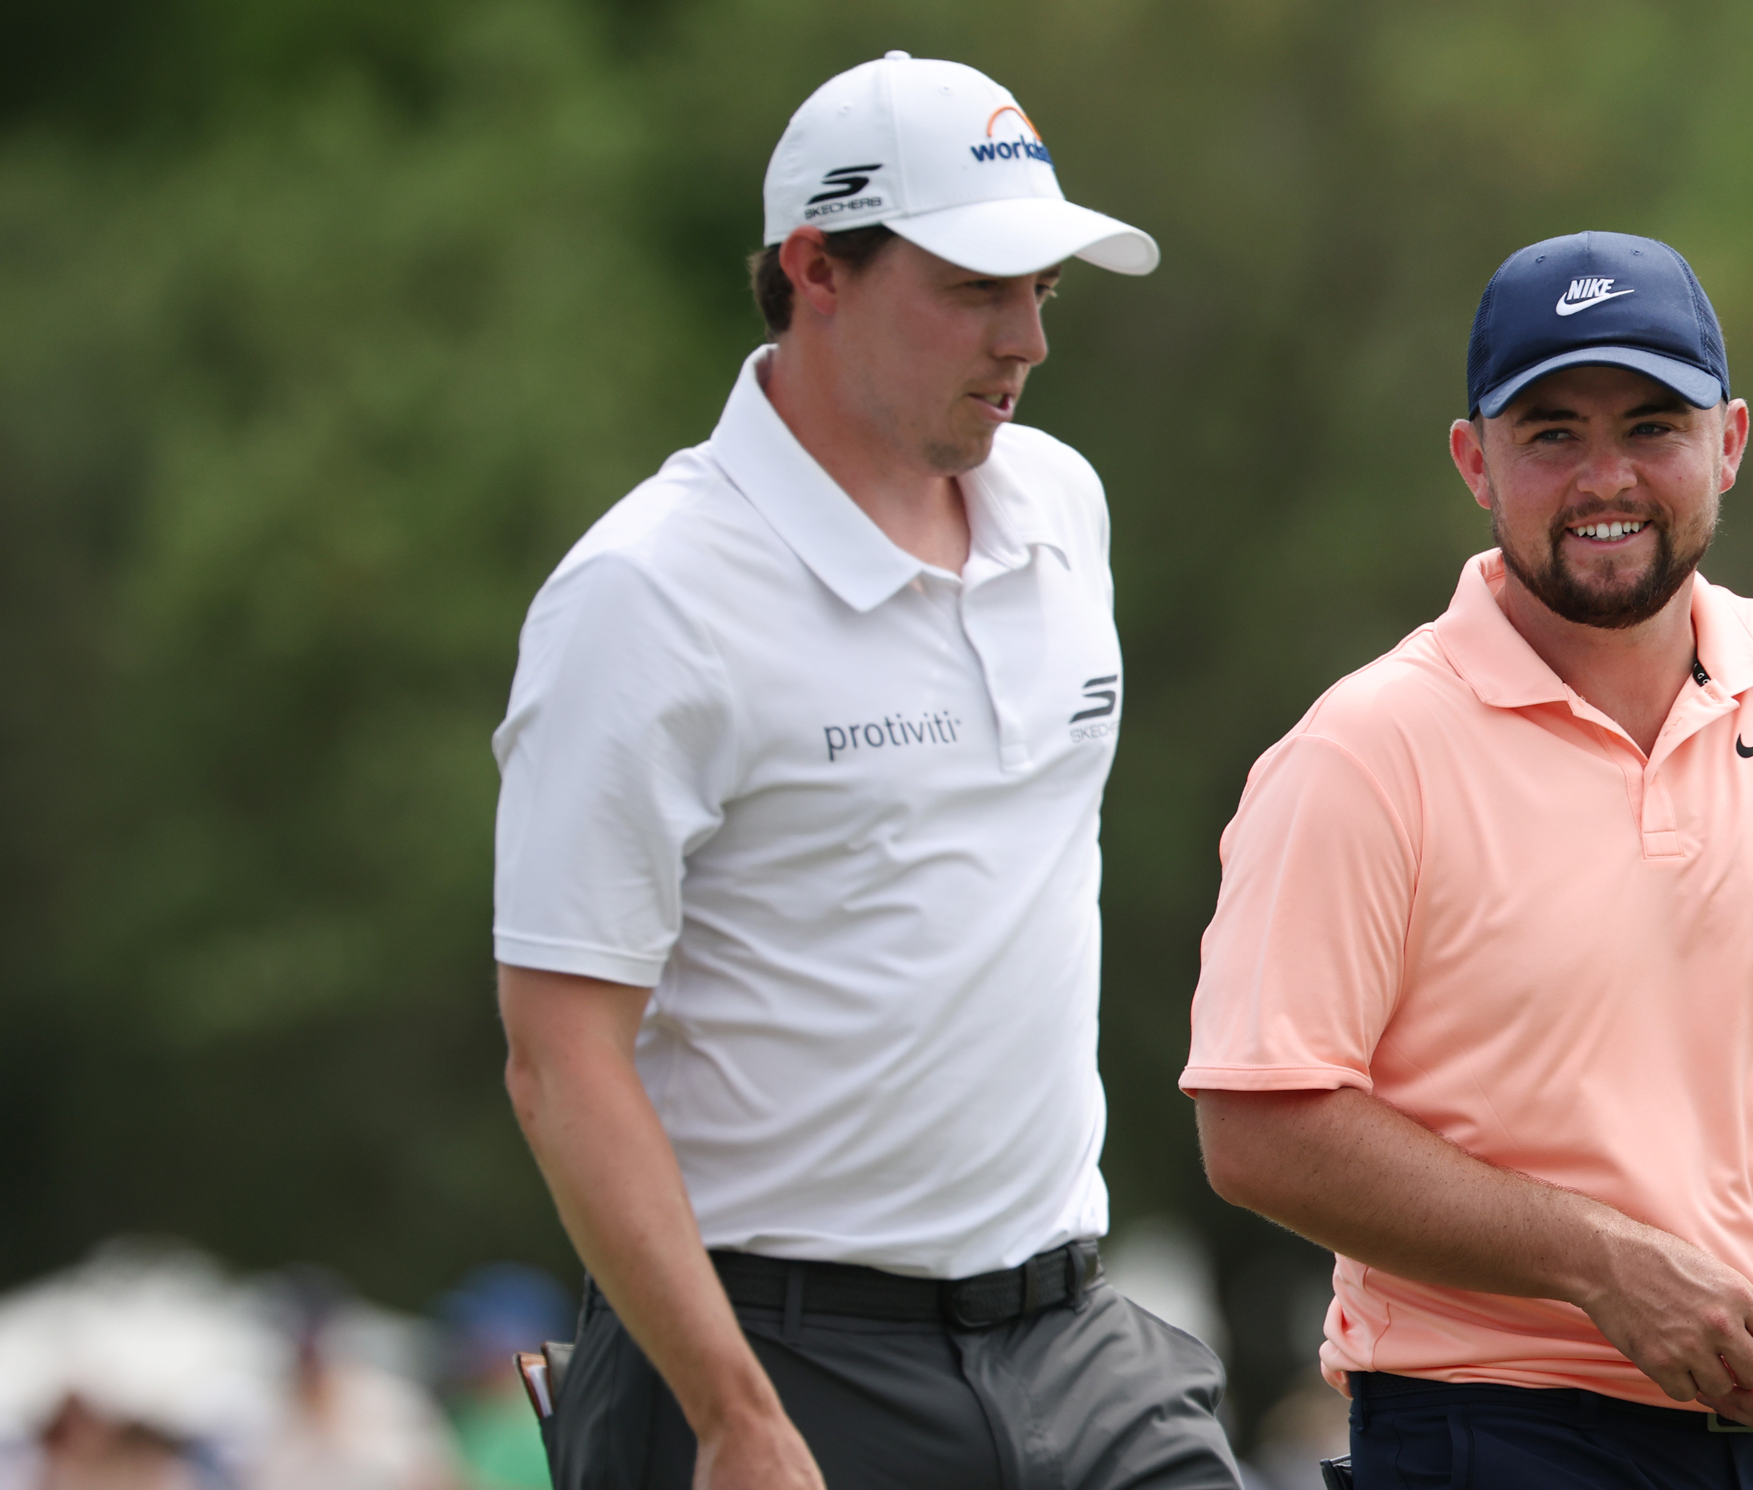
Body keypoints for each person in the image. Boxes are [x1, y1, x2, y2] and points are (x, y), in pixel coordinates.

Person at [492, 52, 1237, 1490]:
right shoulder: (645, 598)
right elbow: (559, 1054)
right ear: (815, 267)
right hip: (776, 1364)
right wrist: (731, 1412)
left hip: (1076, 1340)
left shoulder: (1063, 506)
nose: (1025, 339)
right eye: (973, 290)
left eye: (1045, 292)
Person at [1183, 231, 1753, 1489]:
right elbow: (1256, 1126)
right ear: (1476, 461)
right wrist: (1600, 1260)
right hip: (1492, 1431)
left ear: (1729, 442)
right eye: (1552, 432)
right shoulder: (1363, 748)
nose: (1607, 475)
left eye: (1652, 424)